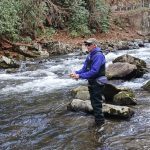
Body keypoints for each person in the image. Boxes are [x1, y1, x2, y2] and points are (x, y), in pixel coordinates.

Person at [70, 38, 106, 127]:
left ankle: (100, 123)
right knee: (94, 102)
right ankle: (98, 121)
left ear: (94, 45)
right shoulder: (90, 55)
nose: (87, 46)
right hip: (92, 82)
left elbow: (94, 71)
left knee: (96, 104)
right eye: (86, 45)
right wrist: (76, 73)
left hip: (98, 82)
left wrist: (80, 76)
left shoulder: (98, 55)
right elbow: (84, 69)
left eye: (89, 45)